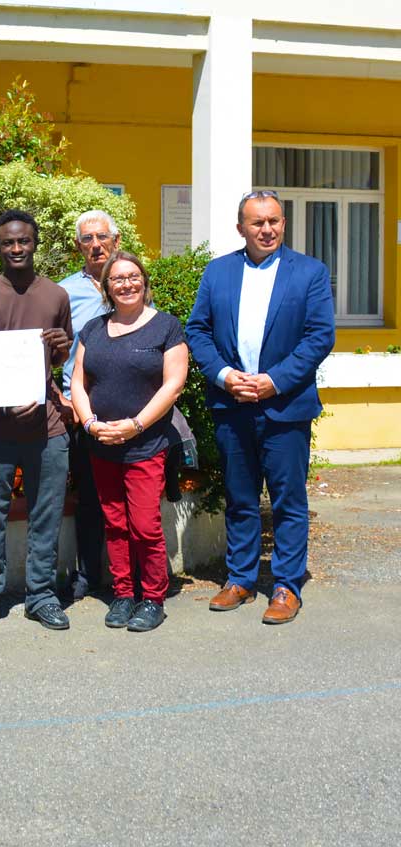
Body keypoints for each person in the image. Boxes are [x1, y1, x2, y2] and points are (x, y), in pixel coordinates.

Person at [185, 190, 335, 624]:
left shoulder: (309, 272)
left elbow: (319, 336)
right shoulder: (218, 273)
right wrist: (225, 376)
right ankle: (241, 579)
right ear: (241, 229)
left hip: (285, 406)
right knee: (241, 497)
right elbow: (198, 332)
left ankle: (286, 586)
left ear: (283, 224)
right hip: (232, 404)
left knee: (288, 499)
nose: (267, 229)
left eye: (274, 221)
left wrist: (274, 381)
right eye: (257, 223)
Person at [0, 210, 73, 633]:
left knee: (47, 514)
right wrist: (3, 402)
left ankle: (41, 595)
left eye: (23, 241)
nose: (16, 249)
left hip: (48, 427)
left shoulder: (56, 295)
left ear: (34, 243)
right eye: (8, 243)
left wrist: (62, 345)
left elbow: (60, 357)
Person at [70, 251, 188, 632]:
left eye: (133, 276)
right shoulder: (93, 329)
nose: (126, 283)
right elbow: (77, 382)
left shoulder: (166, 327)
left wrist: (134, 425)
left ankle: (152, 597)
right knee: (115, 523)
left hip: (145, 445)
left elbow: (173, 385)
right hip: (102, 443)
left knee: (144, 525)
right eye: (117, 278)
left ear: (144, 280)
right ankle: (123, 593)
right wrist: (89, 423)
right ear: (106, 287)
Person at [57, 210, 119, 600]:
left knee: (129, 495)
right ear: (78, 246)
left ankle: (130, 574)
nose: (95, 245)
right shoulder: (64, 292)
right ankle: (88, 573)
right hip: (82, 411)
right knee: (91, 498)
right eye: (87, 239)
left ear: (115, 239)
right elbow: (52, 348)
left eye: (101, 237)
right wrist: (62, 398)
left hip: (130, 409)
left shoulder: (132, 281)